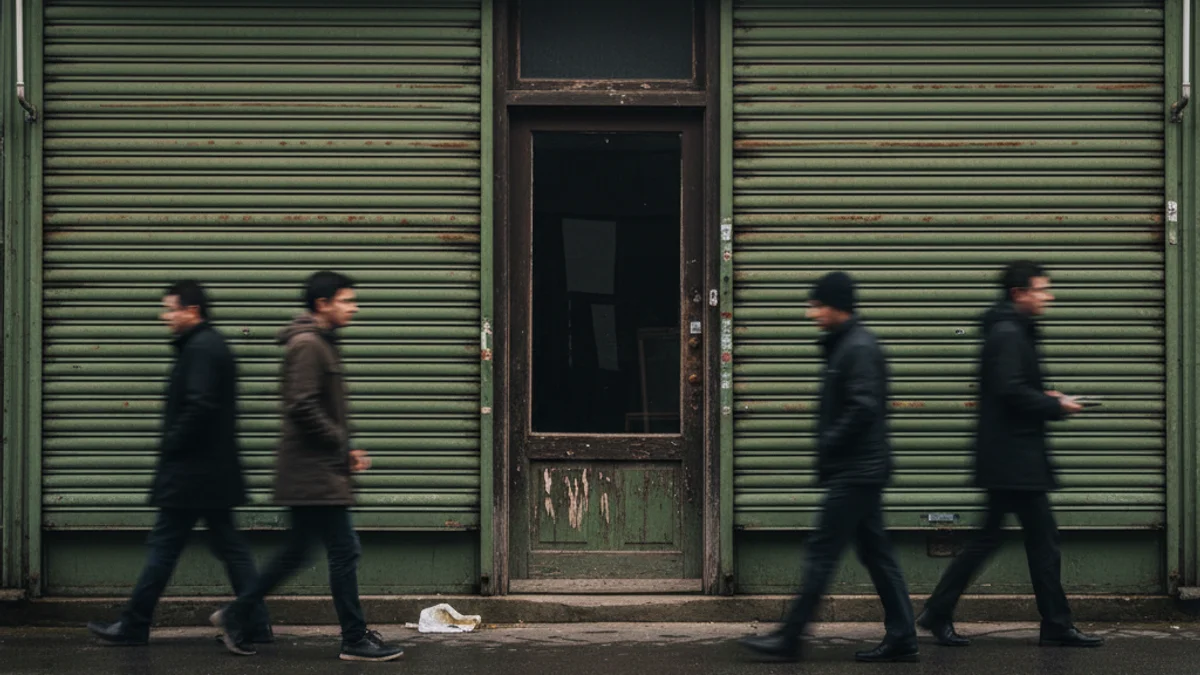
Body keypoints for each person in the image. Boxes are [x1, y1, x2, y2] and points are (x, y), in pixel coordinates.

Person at [212, 271, 403, 662]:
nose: (354, 308)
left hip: (316, 469)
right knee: (343, 550)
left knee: (298, 552)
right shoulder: (307, 345)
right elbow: (301, 405)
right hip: (313, 472)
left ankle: (236, 614)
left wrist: (342, 448)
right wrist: (340, 443)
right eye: (346, 301)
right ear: (322, 304)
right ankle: (353, 638)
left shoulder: (321, 343)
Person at [917, 261, 1104, 649]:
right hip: (1014, 460)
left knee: (1002, 539)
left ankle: (941, 611)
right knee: (1036, 541)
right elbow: (1011, 393)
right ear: (1019, 293)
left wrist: (1046, 397)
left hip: (1011, 457)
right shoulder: (1007, 332)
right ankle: (1054, 624)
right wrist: (1055, 406)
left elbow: (1013, 388)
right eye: (1040, 290)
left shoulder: (1012, 329)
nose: (1047, 297)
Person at [739, 271, 917, 663]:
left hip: (856, 470)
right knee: (877, 554)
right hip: (861, 469)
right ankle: (903, 634)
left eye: (816, 305)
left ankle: (790, 638)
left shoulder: (858, 347)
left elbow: (865, 406)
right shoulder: (847, 344)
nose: (811, 314)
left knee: (822, 552)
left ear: (836, 306)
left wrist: (829, 441)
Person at [87, 281, 271, 645]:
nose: (165, 316)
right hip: (209, 473)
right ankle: (255, 623)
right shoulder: (207, 344)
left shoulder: (201, 348)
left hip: (192, 473)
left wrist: (172, 444)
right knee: (229, 548)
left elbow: (200, 406)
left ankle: (134, 625)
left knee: (164, 548)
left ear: (192, 310)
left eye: (171, 308)